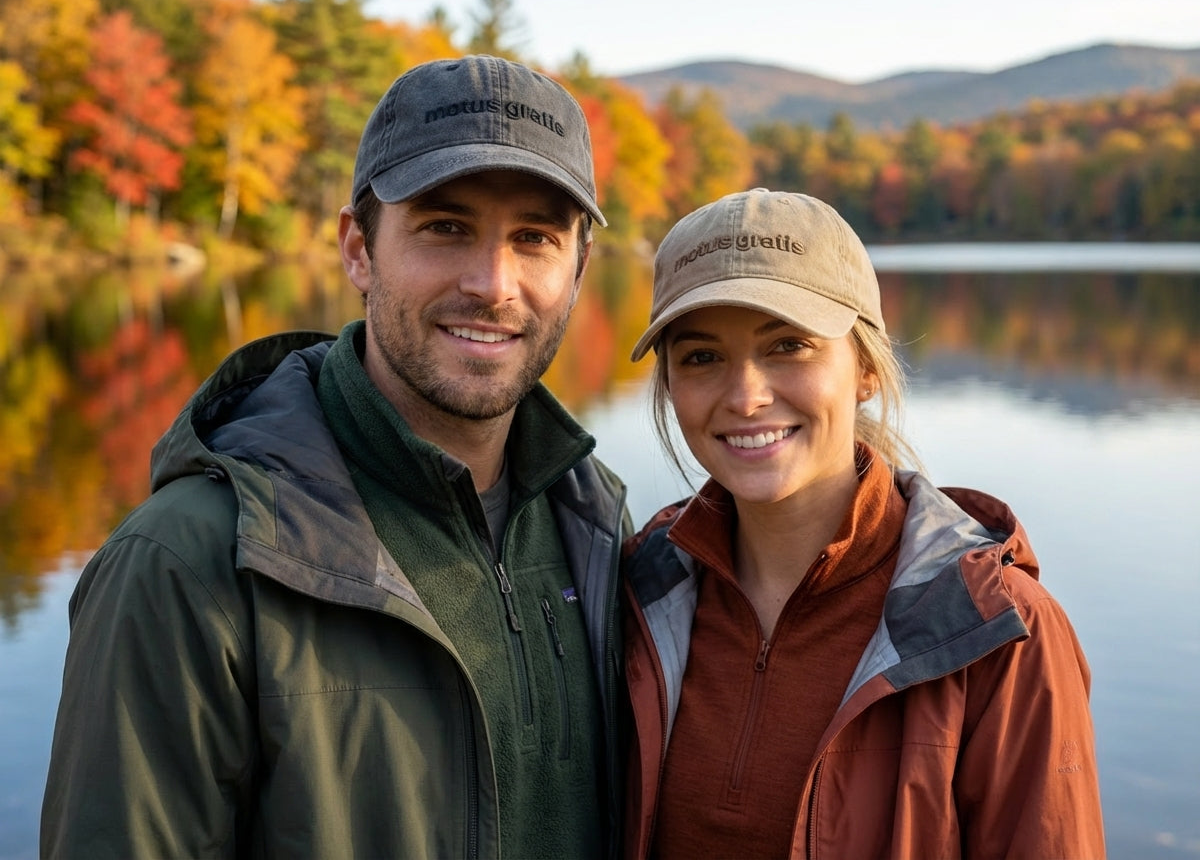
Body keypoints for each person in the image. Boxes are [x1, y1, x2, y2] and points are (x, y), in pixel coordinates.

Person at [41, 55, 631, 860]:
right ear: (358, 248)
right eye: (445, 227)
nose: (495, 284)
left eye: (534, 239)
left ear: (578, 270)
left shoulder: (597, 526)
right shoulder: (189, 562)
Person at [621, 188, 1106, 859]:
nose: (745, 395)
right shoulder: (639, 591)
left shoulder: (1001, 632)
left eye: (787, 345)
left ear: (866, 369)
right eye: (702, 357)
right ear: (669, 384)